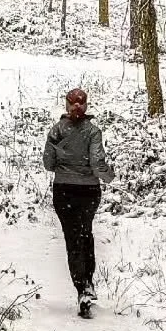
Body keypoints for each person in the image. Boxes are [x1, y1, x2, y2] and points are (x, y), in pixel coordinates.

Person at [42, 86, 113, 316]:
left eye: (78, 102)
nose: (77, 106)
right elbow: (97, 163)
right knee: (85, 233)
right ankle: (87, 284)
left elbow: (48, 164)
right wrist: (108, 176)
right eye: (75, 102)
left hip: (63, 190)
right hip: (88, 191)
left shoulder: (56, 131)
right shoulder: (93, 132)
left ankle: (81, 286)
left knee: (72, 238)